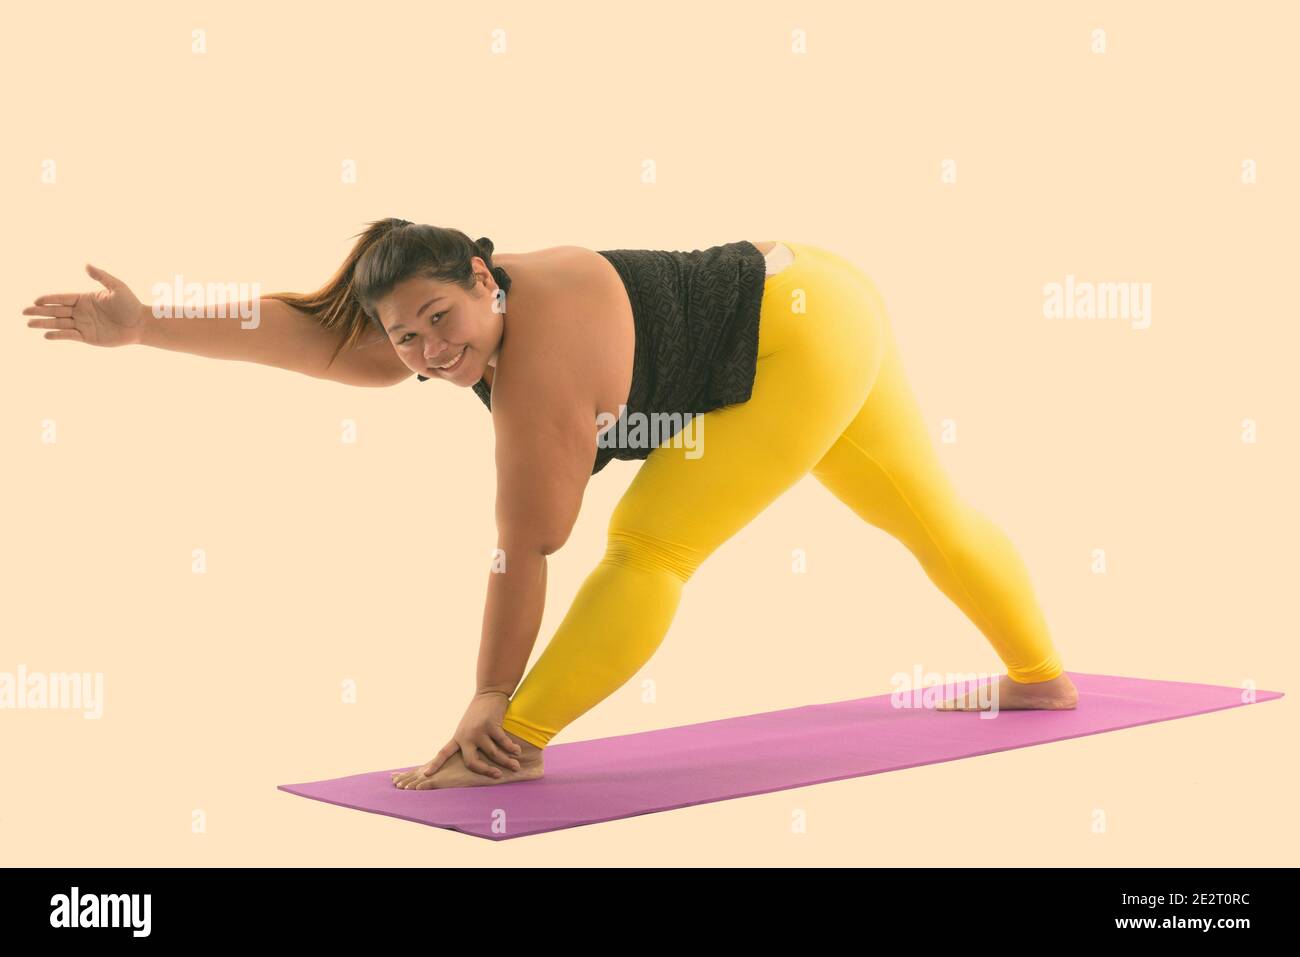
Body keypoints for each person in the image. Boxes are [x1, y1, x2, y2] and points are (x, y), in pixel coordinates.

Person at [22, 219, 1078, 792]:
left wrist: (496, 700)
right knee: (924, 512)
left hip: (798, 337)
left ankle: (516, 747)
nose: (433, 354)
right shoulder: (458, 321)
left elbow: (527, 548)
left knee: (651, 544)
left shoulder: (540, 366)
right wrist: (148, 322)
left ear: (487, 277)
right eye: (408, 341)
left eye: (441, 320)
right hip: (824, 292)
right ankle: (1040, 680)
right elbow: (306, 333)